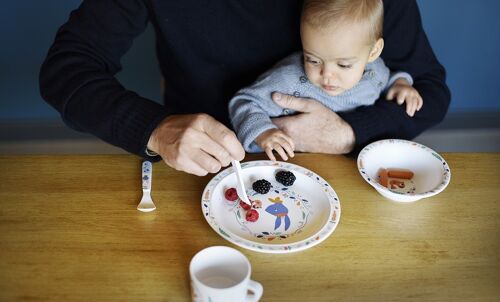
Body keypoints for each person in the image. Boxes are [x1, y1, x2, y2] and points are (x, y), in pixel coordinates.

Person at [40, 0, 450, 176]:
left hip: (341, 169)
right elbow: (65, 70)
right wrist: (154, 129)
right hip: (205, 166)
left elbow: (429, 88)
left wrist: (348, 133)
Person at [229, 0, 423, 161]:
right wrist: (264, 133)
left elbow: (387, 80)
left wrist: (401, 84)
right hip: (284, 164)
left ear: (373, 52)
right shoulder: (288, 81)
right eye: (313, 60)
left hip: (344, 166)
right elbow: (244, 102)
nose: (327, 75)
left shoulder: (374, 73)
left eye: (344, 65)